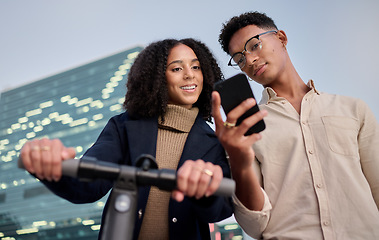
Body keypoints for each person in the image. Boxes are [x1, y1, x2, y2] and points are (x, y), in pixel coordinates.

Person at [20, 38, 233, 240]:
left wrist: (204, 192)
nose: (190, 75)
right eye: (177, 68)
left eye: (196, 67)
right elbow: (87, 185)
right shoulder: (123, 127)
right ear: (157, 78)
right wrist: (53, 167)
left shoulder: (213, 141)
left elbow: (221, 209)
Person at [212, 11, 379, 239]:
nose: (249, 60)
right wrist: (239, 162)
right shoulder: (244, 130)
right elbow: (254, 225)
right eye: (240, 59)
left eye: (254, 46)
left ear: (281, 38)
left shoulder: (353, 110)